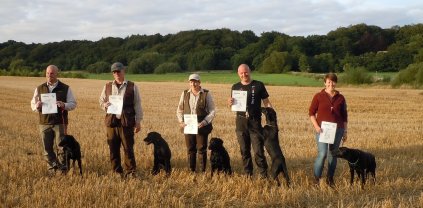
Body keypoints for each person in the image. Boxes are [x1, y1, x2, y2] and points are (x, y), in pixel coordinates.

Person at [30, 65, 77, 173]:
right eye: (47, 73)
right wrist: (37, 105)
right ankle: (52, 169)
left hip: (60, 123)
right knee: (47, 149)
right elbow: (33, 104)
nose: (49, 75)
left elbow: (73, 104)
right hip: (44, 123)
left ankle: (63, 170)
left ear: (57, 74)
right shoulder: (39, 88)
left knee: (62, 148)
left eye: (51, 73)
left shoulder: (66, 88)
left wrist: (63, 105)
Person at [99, 62, 143, 177]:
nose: (116, 73)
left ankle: (131, 172)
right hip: (112, 123)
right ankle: (117, 171)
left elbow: (137, 104)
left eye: (118, 71)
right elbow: (101, 101)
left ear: (124, 71)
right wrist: (105, 105)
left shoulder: (132, 86)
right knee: (113, 148)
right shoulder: (107, 86)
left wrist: (138, 121)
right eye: (114, 72)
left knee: (128, 148)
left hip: (126, 122)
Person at [227, 64, 272, 178]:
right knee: (244, 151)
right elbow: (232, 105)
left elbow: (266, 102)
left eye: (245, 72)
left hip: (255, 121)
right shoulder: (235, 87)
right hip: (241, 122)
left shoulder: (258, 85)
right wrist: (230, 103)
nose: (244, 75)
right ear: (238, 74)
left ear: (249, 71)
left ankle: (263, 175)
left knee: (258, 150)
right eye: (241, 73)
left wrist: (271, 116)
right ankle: (248, 174)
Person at [309, 73, 348, 187]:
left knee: (333, 155)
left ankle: (330, 179)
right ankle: (316, 180)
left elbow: (344, 116)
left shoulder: (341, 98)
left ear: (336, 83)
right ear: (325, 83)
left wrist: (345, 131)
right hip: (322, 130)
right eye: (329, 82)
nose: (331, 84)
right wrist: (316, 126)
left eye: (333, 81)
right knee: (322, 154)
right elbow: (311, 113)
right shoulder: (318, 96)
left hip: (338, 129)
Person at [177, 73, 216, 173]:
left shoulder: (206, 94)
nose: (193, 84)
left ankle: (202, 171)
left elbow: (212, 111)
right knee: (190, 148)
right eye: (191, 82)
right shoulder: (185, 93)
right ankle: (192, 170)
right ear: (189, 83)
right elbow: (180, 109)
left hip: (201, 125)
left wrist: (205, 122)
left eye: (195, 82)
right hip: (188, 126)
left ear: (199, 82)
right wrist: (181, 121)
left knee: (202, 149)